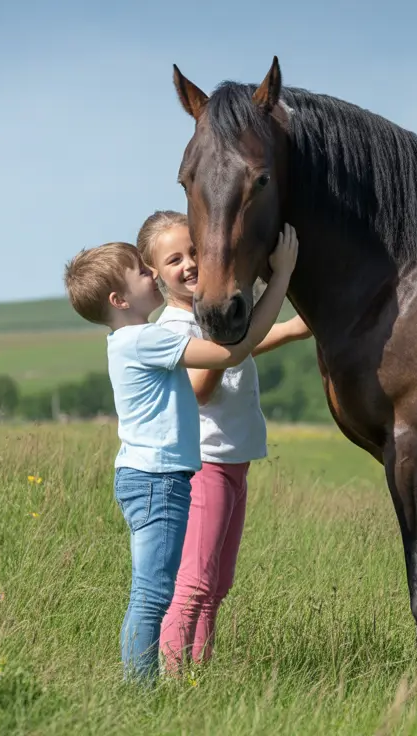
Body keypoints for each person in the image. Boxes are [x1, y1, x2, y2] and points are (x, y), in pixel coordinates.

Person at [61, 225, 299, 683]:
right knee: (155, 596)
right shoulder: (147, 338)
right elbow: (232, 353)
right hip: (158, 480)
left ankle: (174, 682)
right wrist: (281, 281)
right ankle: (146, 692)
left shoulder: (131, 340)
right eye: (141, 271)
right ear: (120, 300)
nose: (151, 275)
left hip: (152, 477)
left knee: (161, 592)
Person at [135, 210, 311, 673]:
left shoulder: (200, 313)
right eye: (175, 259)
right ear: (154, 274)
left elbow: (238, 347)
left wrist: (291, 330)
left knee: (217, 586)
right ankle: (174, 682)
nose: (190, 264)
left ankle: (200, 677)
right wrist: (279, 282)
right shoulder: (172, 328)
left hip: (234, 464)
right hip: (205, 466)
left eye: (194, 251)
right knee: (193, 584)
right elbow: (201, 387)